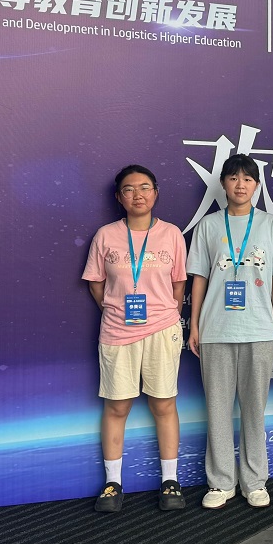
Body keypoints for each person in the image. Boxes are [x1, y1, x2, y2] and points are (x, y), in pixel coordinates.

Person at [187, 154, 273, 509]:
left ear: (257, 186)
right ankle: (220, 483)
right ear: (223, 184)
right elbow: (199, 279)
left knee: (254, 410)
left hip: (259, 329)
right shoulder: (208, 225)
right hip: (216, 329)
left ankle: (254, 481)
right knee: (217, 409)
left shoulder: (269, 225)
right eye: (233, 178)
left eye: (247, 179)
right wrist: (195, 324)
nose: (240, 185)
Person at [82, 165, 188, 513]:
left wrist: (164, 314)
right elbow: (96, 283)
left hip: (162, 330)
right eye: (129, 189)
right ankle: (112, 483)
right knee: (117, 406)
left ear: (155, 193)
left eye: (144, 187)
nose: (137, 195)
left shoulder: (171, 234)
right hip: (117, 332)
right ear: (119, 197)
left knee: (164, 404)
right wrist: (115, 310)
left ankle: (170, 481)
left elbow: (178, 283)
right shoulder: (106, 235)